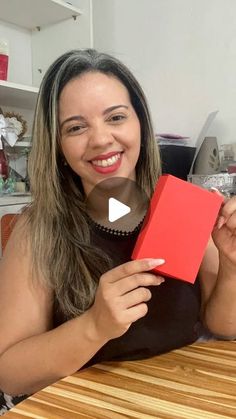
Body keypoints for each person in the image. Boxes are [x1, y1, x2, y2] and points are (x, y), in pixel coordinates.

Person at [0, 49, 236, 414]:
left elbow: (222, 325)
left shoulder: (181, 207)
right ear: (59, 146)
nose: (101, 139)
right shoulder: (39, 229)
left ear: (140, 124)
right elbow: (10, 374)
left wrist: (231, 264)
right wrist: (94, 326)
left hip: (182, 399)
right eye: (76, 127)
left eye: (116, 117)